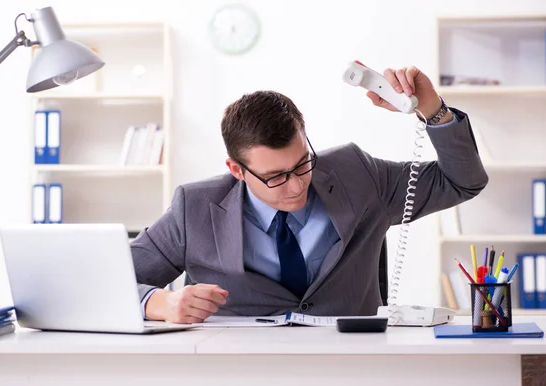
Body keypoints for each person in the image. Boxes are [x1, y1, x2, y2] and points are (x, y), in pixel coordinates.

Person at [130, 61, 489, 323]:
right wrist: (157, 303)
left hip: (352, 371)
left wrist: (432, 110)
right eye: (275, 176)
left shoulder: (356, 172)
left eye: (303, 162)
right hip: (239, 376)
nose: (298, 184)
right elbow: (102, 282)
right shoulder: (194, 207)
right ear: (236, 170)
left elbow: (462, 181)